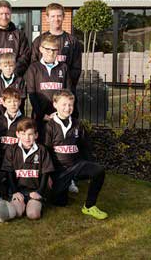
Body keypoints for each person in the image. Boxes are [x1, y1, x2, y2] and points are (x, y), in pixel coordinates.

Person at [45, 90, 108, 220]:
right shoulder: (49, 126)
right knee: (60, 203)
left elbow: (86, 147)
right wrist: (48, 176)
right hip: (59, 170)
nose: (67, 108)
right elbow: (45, 152)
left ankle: (89, 206)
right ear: (55, 104)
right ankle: (65, 186)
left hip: (76, 165)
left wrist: (90, 167)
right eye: (64, 104)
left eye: (70, 105)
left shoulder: (78, 124)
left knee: (98, 171)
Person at [2, 118, 54, 220]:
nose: (27, 138)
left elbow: (45, 173)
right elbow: (9, 172)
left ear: (36, 135)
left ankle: (33, 204)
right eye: (23, 134)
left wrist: (39, 192)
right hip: (18, 190)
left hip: (34, 190)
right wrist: (15, 191)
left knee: (33, 215)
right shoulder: (11, 149)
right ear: (17, 134)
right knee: (16, 213)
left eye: (30, 134)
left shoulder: (42, 150)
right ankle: (20, 204)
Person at [26, 34, 72, 142]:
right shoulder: (34, 68)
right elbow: (32, 94)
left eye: (54, 50)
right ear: (41, 49)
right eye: (48, 49)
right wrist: (42, 115)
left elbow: (68, 92)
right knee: (41, 144)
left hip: (60, 115)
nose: (51, 53)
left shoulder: (64, 68)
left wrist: (60, 113)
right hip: (40, 117)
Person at [30, 3, 82, 93]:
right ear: (47, 18)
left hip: (65, 92)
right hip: (43, 91)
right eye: (53, 16)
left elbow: (76, 68)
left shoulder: (72, 41)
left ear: (63, 17)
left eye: (59, 16)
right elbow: (34, 64)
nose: (56, 19)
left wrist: (66, 84)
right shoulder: (39, 41)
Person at [0, 88, 25, 195]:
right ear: (3, 103)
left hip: (16, 160)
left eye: (15, 101)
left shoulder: (24, 120)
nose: (13, 104)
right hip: (0, 158)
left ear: (20, 102)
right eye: (9, 101)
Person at [0, 53, 26, 120]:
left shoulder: (20, 81)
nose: (8, 68)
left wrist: (16, 114)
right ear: (0, 66)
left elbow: (22, 100)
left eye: (11, 66)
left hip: (16, 116)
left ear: (15, 66)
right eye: (5, 66)